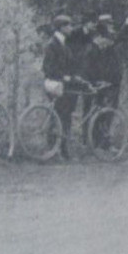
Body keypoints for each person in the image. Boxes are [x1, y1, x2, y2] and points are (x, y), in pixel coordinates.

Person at [41, 13, 81, 158]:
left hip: (66, 85)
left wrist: (74, 76)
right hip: (56, 85)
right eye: (68, 25)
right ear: (61, 27)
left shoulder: (64, 44)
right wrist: (64, 76)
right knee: (57, 117)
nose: (71, 28)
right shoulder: (52, 44)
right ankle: (53, 149)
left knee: (65, 117)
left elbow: (69, 65)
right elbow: (47, 68)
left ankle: (63, 149)